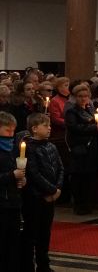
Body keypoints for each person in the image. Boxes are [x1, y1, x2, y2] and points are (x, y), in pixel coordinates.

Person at [22, 113, 63, 272]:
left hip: (51, 196)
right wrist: (51, 190)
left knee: (45, 233)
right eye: (45, 125)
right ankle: (28, 265)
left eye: (50, 125)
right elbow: (33, 173)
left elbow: (60, 168)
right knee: (31, 233)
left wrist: (57, 189)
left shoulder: (51, 146)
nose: (49, 128)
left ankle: (43, 265)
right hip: (35, 197)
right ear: (34, 128)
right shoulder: (29, 148)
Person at [64, 83, 98, 215]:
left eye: (85, 96)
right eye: (80, 96)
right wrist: (94, 128)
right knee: (78, 177)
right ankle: (79, 204)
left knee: (89, 177)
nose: (83, 98)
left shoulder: (90, 110)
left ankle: (87, 203)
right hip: (79, 148)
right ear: (75, 97)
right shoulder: (71, 111)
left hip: (91, 148)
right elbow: (74, 128)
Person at [0, 111, 25, 271]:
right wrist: (11, 175)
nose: (11, 134)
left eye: (13, 130)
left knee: (13, 240)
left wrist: (22, 179)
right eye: (7, 130)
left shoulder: (13, 148)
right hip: (1, 203)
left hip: (14, 201)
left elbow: (18, 169)